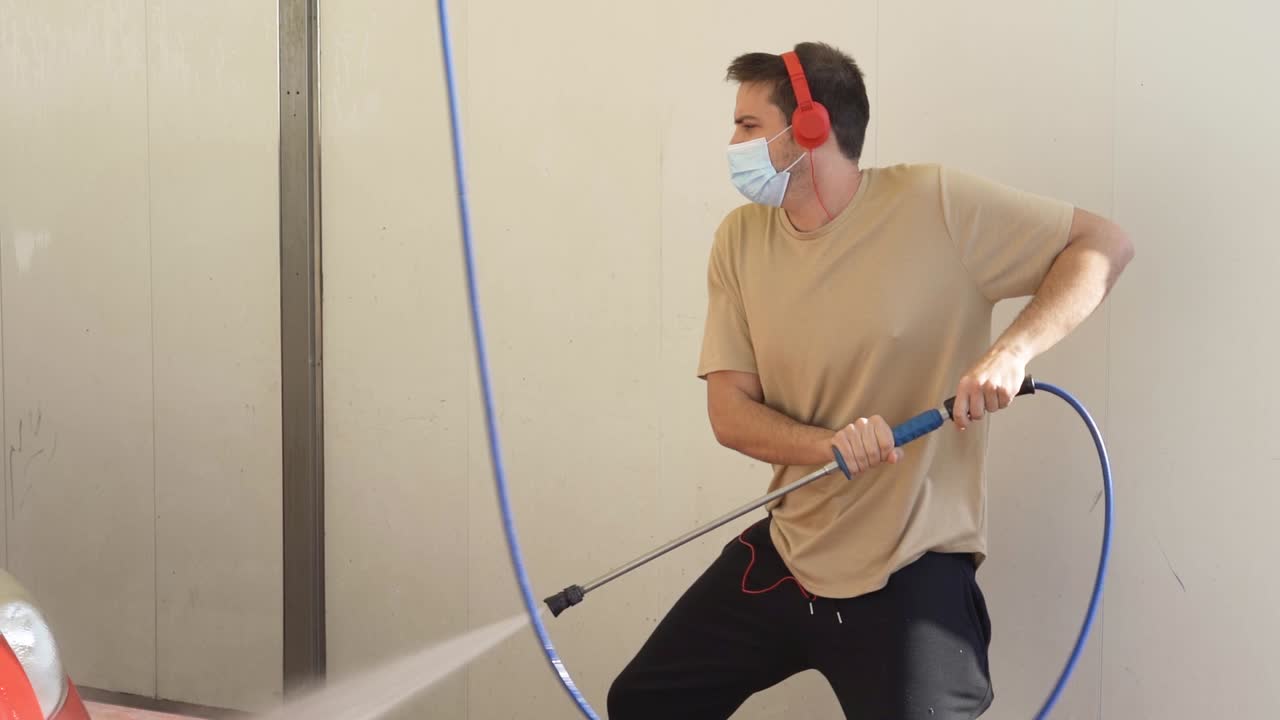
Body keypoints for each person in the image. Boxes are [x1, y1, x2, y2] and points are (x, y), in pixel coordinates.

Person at [606, 41, 1133, 719]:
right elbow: (729, 413)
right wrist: (829, 446)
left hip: (911, 559)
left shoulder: (936, 204)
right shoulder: (740, 241)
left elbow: (1103, 244)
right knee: (645, 702)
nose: (731, 143)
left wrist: (1012, 353)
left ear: (811, 128)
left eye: (747, 125)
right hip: (792, 547)